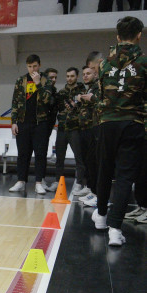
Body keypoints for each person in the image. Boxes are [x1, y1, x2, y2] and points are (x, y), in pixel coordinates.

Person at [91, 16, 146, 246]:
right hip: (132, 123)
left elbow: (101, 93)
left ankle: (101, 216)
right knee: (124, 177)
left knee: (105, 169)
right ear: (139, 35)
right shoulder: (143, 62)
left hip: (108, 122)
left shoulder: (104, 64)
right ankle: (115, 229)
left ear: (117, 36)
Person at [9, 54, 53, 194]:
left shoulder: (46, 80)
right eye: (29, 66)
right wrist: (13, 122)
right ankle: (21, 181)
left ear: (39, 65)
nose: (32, 69)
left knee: (40, 153)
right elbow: (15, 102)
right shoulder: (20, 80)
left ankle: (39, 182)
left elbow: (47, 100)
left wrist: (38, 83)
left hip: (40, 122)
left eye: (34, 66)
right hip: (23, 122)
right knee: (22, 153)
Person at [56, 67, 87, 196]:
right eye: (68, 76)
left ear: (77, 76)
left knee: (79, 158)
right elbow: (57, 108)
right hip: (62, 128)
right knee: (59, 158)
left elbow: (85, 110)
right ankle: (58, 182)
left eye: (72, 76)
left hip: (76, 129)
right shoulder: (61, 92)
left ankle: (79, 183)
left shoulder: (83, 91)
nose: (69, 78)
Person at [76, 65, 101, 207]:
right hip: (84, 128)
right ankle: (92, 190)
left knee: (94, 162)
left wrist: (91, 98)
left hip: (94, 128)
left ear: (95, 75)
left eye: (88, 74)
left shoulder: (97, 88)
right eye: (84, 74)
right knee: (87, 161)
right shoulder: (87, 89)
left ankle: (97, 193)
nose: (85, 76)